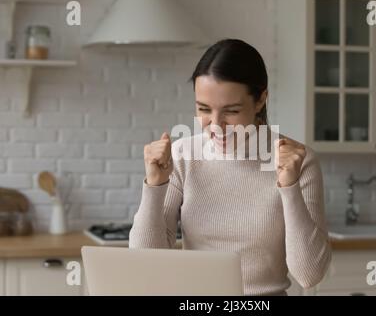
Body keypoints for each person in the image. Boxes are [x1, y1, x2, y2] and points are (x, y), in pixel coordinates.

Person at [129, 39, 331, 296]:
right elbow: (146, 266)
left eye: (231, 111)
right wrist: (154, 187)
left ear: (260, 100)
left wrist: (289, 187)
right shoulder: (183, 155)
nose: (215, 125)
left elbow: (309, 275)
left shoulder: (298, 161)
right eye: (204, 109)